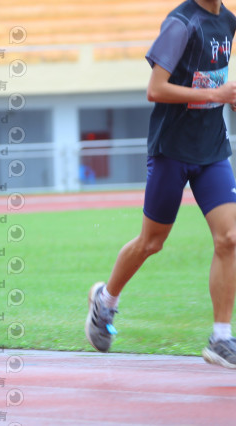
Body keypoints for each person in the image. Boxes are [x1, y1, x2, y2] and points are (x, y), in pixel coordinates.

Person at [86, 0, 236, 369]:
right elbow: (156, 89)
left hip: (212, 149)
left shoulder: (228, 22)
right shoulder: (181, 23)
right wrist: (216, 94)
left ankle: (220, 338)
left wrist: (228, 98)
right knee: (151, 242)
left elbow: (214, 76)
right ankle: (105, 300)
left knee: (230, 238)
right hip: (171, 150)